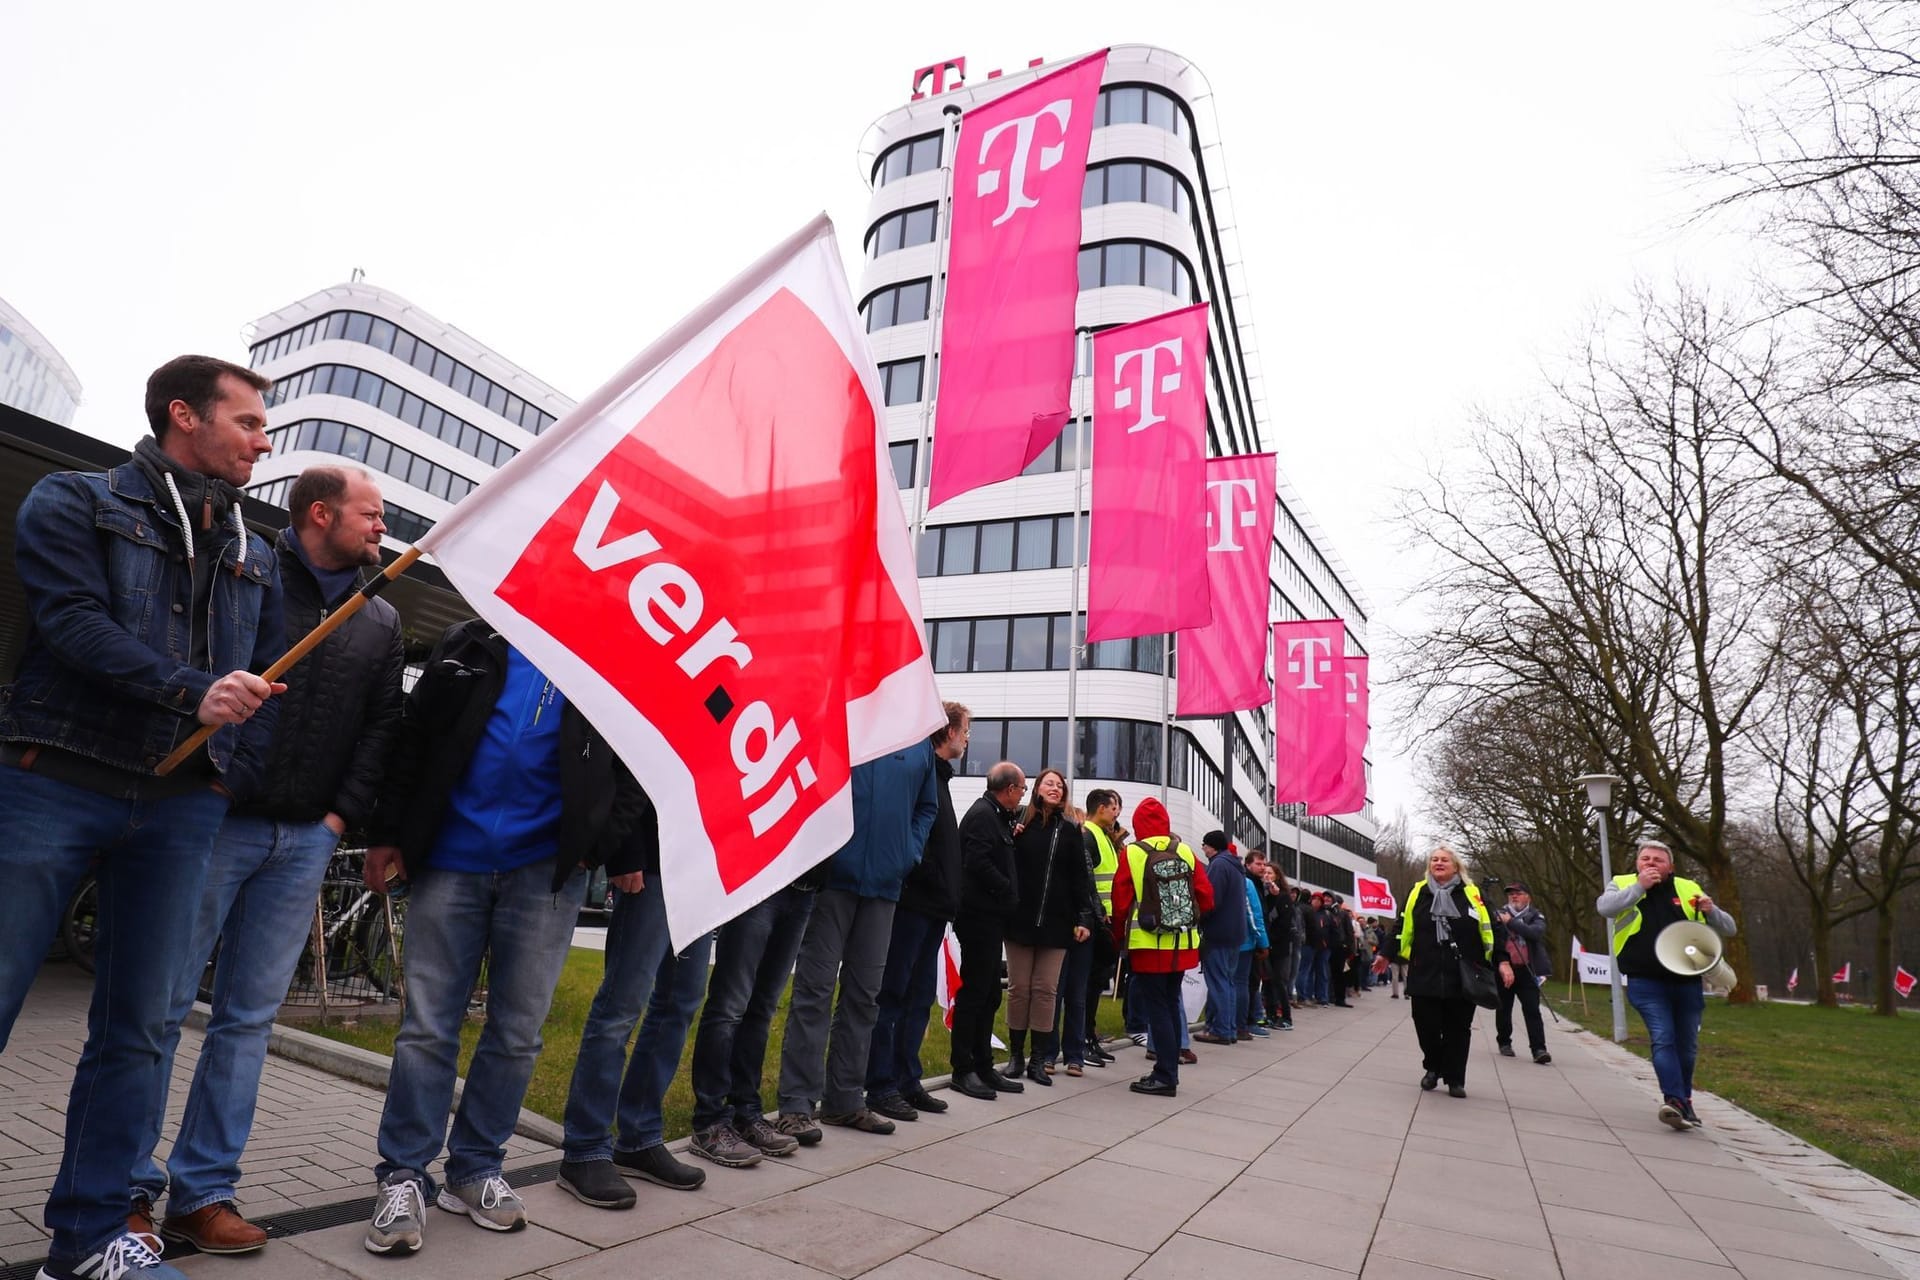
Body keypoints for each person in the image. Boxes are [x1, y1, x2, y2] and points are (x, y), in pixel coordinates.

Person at [0, 355, 285, 1280]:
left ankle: (86, 1243)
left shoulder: (255, 545)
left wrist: (223, 765)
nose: (263, 441)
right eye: (246, 422)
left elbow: (259, 669)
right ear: (182, 416)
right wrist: (191, 690)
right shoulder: (73, 500)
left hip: (179, 809)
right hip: (56, 777)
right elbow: (74, 623)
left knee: (141, 1030)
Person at [131, 466, 402, 1255]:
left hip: (304, 840)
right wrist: (211, 786)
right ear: (321, 513)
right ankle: (123, 1191)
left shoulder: (378, 616)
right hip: (217, 822)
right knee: (158, 1003)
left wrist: (335, 817)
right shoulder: (243, 575)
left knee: (247, 1021)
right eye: (372, 514)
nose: (381, 528)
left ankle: (203, 1194)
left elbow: (381, 726)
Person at [359, 622, 647, 1257]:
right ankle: (404, 1175)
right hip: (450, 862)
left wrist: (597, 846)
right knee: (428, 1027)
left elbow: (634, 761)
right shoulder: (467, 641)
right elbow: (413, 740)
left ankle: (475, 1169)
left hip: (546, 875)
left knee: (517, 1032)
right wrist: (387, 831)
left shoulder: (604, 651)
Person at [775, 738, 939, 1143]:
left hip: (884, 885)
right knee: (814, 991)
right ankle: (796, 1105)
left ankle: (845, 1100)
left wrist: (907, 852)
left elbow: (926, 806)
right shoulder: (844, 715)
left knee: (865, 996)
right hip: (833, 880)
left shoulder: (915, 739)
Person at [557, 819, 716, 1208]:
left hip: (703, 870)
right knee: (620, 1008)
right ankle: (585, 1148)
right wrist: (626, 851)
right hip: (654, 862)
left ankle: (639, 1138)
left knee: (679, 1004)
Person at [866, 702, 970, 1121]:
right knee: (893, 994)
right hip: (913, 903)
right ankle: (880, 1083)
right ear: (946, 732)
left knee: (919, 996)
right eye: (965, 732)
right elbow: (916, 837)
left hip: (934, 909)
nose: (966, 739)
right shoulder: (921, 773)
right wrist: (922, 873)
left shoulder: (940, 779)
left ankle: (907, 1080)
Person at [682, 867, 820, 1168]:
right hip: (759, 879)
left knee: (762, 1008)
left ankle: (746, 1112)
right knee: (729, 1007)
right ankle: (709, 1122)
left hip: (804, 888)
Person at [1597, 842, 1737, 1130]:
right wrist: (1639, 887)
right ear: (1637, 863)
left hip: (1685, 980)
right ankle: (1673, 1101)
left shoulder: (1688, 888)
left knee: (1687, 1045)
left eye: (1658, 860)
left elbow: (1729, 928)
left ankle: (1685, 1101)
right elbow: (1605, 908)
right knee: (1663, 1037)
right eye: (1645, 859)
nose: (1651, 863)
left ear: (1670, 866)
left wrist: (1712, 911)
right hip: (1644, 979)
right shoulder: (1623, 884)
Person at [1110, 798, 1215, 1097]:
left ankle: (1166, 1075)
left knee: (1157, 1008)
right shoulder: (1184, 850)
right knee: (1170, 1003)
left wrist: (1120, 938)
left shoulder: (1132, 852)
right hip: (1182, 944)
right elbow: (1206, 898)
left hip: (1147, 944)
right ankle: (1169, 1070)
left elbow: (1120, 902)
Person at [1002, 768, 1094, 1085]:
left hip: (1057, 926)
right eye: (1048, 783)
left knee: (1045, 991)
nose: (1054, 788)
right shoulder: (1018, 823)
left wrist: (1084, 917)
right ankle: (1016, 1055)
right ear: (1037, 788)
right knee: (1019, 990)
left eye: (1059, 785)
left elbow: (1080, 879)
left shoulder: (1070, 831)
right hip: (1020, 922)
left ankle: (1039, 1059)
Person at [949, 762, 1027, 1100]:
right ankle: (963, 1068)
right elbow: (976, 862)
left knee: (989, 994)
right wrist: (1007, 888)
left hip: (990, 917)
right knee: (976, 993)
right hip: (977, 916)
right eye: (1022, 789)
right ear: (1009, 789)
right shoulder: (983, 815)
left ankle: (983, 1065)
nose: (1022, 795)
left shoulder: (996, 816)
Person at [1394, 846, 1497, 1098]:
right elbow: (1402, 925)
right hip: (1424, 970)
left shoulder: (1473, 894)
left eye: (1444, 860)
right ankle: (1433, 1066)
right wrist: (1387, 955)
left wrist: (1499, 961)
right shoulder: (1418, 891)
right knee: (1425, 1025)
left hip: (1462, 973)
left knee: (1458, 1029)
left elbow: (1492, 927)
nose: (1438, 863)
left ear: (1456, 866)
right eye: (1434, 859)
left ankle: (1455, 1079)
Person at [1054, 787, 1123, 1073]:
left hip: (1103, 921)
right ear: (1102, 808)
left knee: (1096, 984)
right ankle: (1082, 1039)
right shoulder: (1090, 835)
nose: (1117, 811)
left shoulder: (1104, 837)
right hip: (1095, 921)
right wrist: (1097, 914)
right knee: (1088, 985)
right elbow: (1088, 880)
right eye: (1114, 806)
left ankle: (1089, 1037)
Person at [1194, 832, 1246, 1045]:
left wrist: (1199, 918)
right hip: (1235, 933)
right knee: (1228, 982)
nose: (1203, 850)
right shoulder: (1235, 866)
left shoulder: (1218, 866)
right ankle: (1229, 1028)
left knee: (1218, 982)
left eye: (1204, 845)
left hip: (1218, 931)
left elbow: (1210, 900)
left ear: (1211, 847)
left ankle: (1220, 1029)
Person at [1493, 882, 1553, 1065]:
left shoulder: (1536, 915)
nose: (1514, 896)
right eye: (1510, 894)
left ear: (1528, 896)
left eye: (1518, 893)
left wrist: (1510, 922)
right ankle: (1504, 1042)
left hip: (1528, 969)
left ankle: (1539, 1049)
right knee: (1503, 1008)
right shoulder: (1497, 914)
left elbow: (1534, 933)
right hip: (1505, 968)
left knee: (1532, 1009)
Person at [1249, 854, 1294, 1030]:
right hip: (1267, 944)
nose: (1266, 875)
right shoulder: (1264, 895)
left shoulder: (1282, 897)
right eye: (1265, 872)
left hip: (1279, 946)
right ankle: (1270, 1014)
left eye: (1270, 872)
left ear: (1277, 876)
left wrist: (1271, 941)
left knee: (1278, 981)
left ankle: (1286, 1016)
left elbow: (1285, 923)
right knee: (1267, 981)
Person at [1302, 892, 1332, 1006]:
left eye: (1319, 900)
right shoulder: (1308, 912)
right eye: (1314, 899)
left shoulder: (1325, 914)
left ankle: (1322, 997)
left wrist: (1327, 943)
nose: (1316, 901)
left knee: (1322, 972)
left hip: (1323, 947)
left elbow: (1330, 930)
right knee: (1309, 971)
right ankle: (1307, 995)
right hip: (1310, 945)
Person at [1328, 896, 1354, 1007]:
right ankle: (1332, 996)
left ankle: (1339, 998)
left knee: (1339, 974)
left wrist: (1349, 948)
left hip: (1340, 947)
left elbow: (1349, 932)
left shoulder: (1343, 914)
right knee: (1331, 973)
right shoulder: (1327, 913)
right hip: (1330, 946)